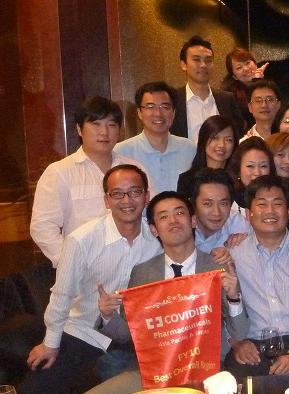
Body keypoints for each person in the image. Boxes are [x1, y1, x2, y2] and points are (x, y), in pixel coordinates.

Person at [88, 190, 248, 394]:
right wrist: (107, 315)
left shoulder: (217, 268)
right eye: (163, 216)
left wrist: (234, 297)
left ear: (193, 221)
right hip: (153, 373)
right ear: (154, 230)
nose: (173, 220)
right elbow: (128, 336)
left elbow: (240, 332)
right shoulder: (143, 272)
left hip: (205, 371)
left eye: (179, 213)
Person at [21, 165, 162, 393]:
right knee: (35, 388)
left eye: (135, 192)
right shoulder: (81, 240)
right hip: (84, 330)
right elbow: (61, 295)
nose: (127, 200)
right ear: (106, 200)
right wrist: (50, 343)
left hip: (132, 337)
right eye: (117, 193)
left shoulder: (157, 241)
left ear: (146, 196)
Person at [225, 175, 289, 378]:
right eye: (262, 204)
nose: (270, 211)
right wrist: (238, 343)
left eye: (278, 204)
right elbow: (224, 312)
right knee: (232, 382)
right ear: (249, 214)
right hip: (253, 344)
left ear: (288, 211)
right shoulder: (234, 256)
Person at [30, 97, 140, 268]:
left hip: (133, 265)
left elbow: (148, 214)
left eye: (111, 125)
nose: (104, 132)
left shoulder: (134, 168)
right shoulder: (59, 172)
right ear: (79, 130)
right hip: (84, 272)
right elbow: (42, 227)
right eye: (96, 124)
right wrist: (72, 266)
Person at [115, 81, 196, 194]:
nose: (158, 113)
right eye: (150, 107)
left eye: (165, 107)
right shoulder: (121, 152)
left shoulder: (189, 148)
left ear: (173, 113)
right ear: (139, 112)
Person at [170, 35, 244, 142]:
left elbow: (239, 134)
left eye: (208, 60)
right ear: (183, 64)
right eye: (196, 60)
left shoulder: (227, 99)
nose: (203, 65)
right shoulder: (173, 100)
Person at [190, 168, 250, 254]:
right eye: (208, 204)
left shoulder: (238, 226)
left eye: (223, 204)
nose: (216, 212)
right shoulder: (181, 226)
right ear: (194, 205)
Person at [177, 114, 238, 198]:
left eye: (228, 140)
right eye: (215, 138)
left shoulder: (238, 180)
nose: (221, 145)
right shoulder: (187, 180)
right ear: (203, 140)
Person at [221, 47, 268, 128]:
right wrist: (256, 81)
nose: (246, 69)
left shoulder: (269, 83)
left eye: (247, 63)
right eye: (239, 68)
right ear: (234, 76)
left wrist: (258, 82)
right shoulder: (230, 96)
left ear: (255, 63)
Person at [226, 136, 275, 209]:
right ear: (238, 170)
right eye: (250, 166)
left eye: (263, 166)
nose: (257, 173)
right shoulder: (227, 201)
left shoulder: (278, 199)